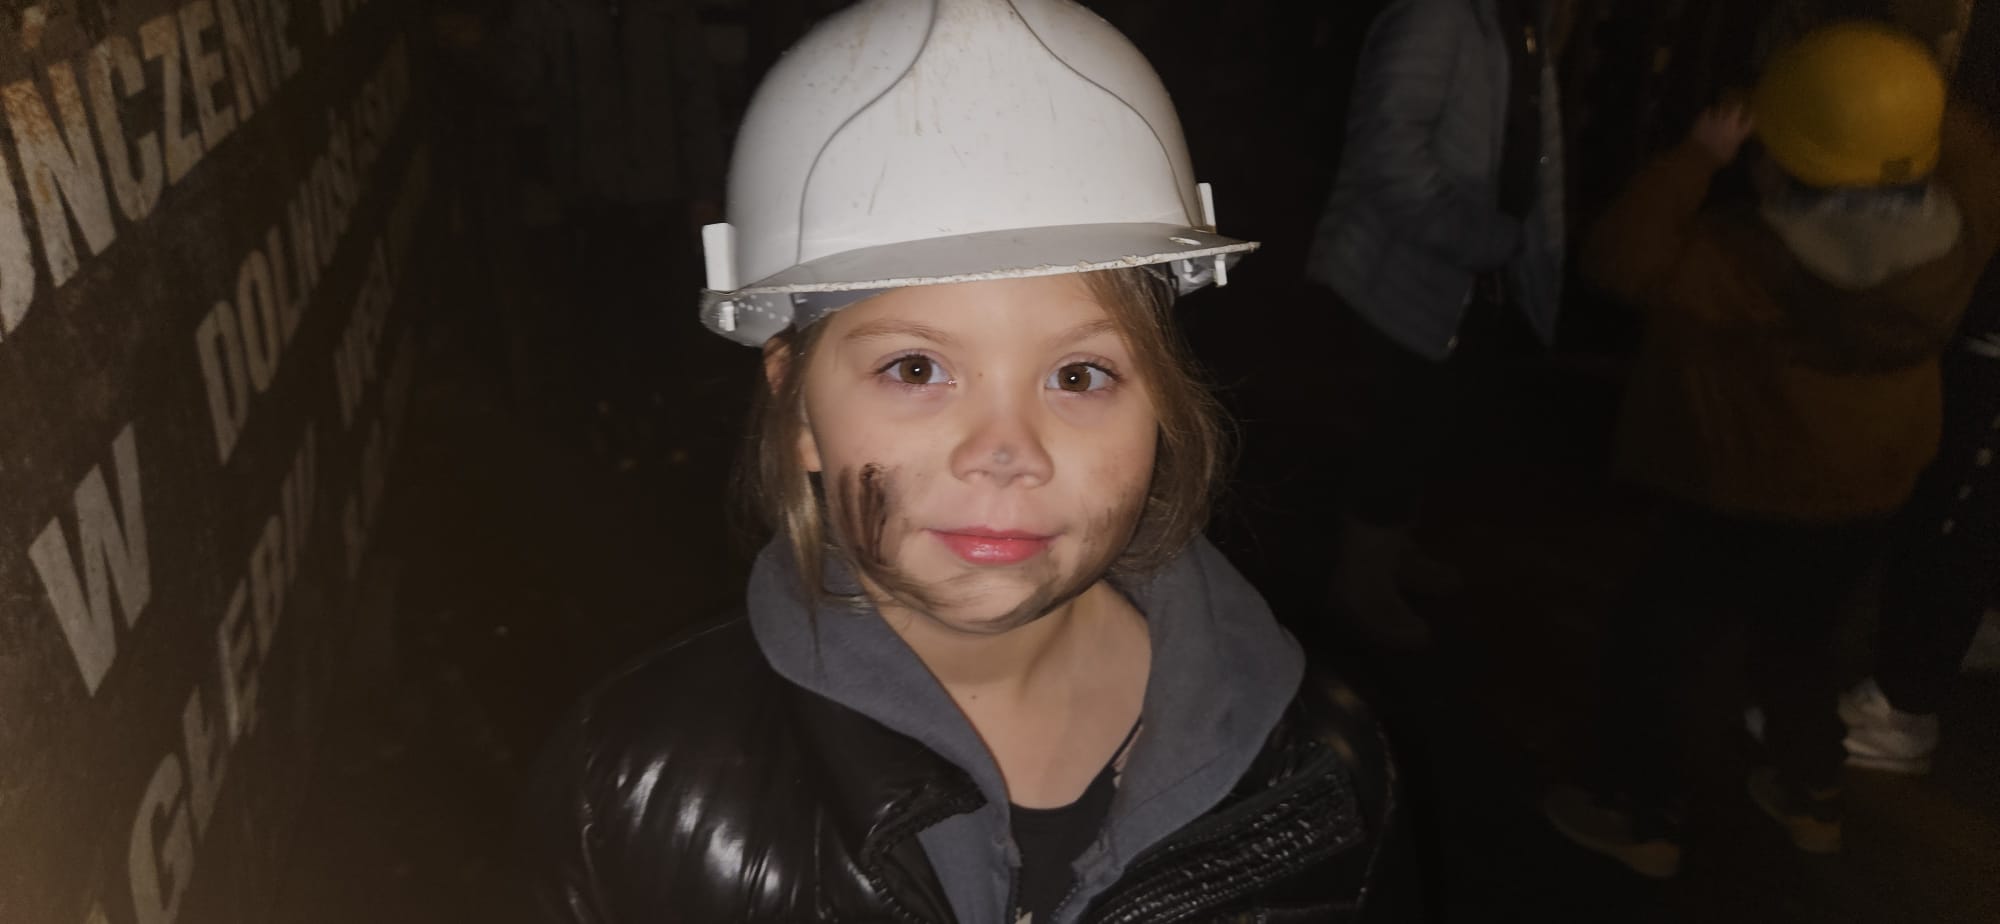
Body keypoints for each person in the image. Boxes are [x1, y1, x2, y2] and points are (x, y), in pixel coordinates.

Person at [524, 2, 1400, 922]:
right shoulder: (626, 789)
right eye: (916, 369)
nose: (1005, 453)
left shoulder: (1321, 778)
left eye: (1078, 374)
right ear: (797, 410)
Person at [1543, 22, 2000, 878]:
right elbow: (1972, 151)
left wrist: (1700, 154)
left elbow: (1617, 258)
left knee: (1666, 647)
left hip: (1733, 490)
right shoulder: (1963, 232)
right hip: (1864, 497)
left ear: (1782, 161)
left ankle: (1638, 815)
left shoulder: (1740, 257)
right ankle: (1811, 797)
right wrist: (1900, 97)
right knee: (1800, 644)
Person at [1304, 0, 1566, 648]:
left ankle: (1389, 551)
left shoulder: (1520, 21)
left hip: (1463, 270)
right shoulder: (1435, 15)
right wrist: (1478, 238)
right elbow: (1388, 151)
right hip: (1396, 269)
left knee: (1430, 423)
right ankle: (1360, 585)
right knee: (1399, 428)